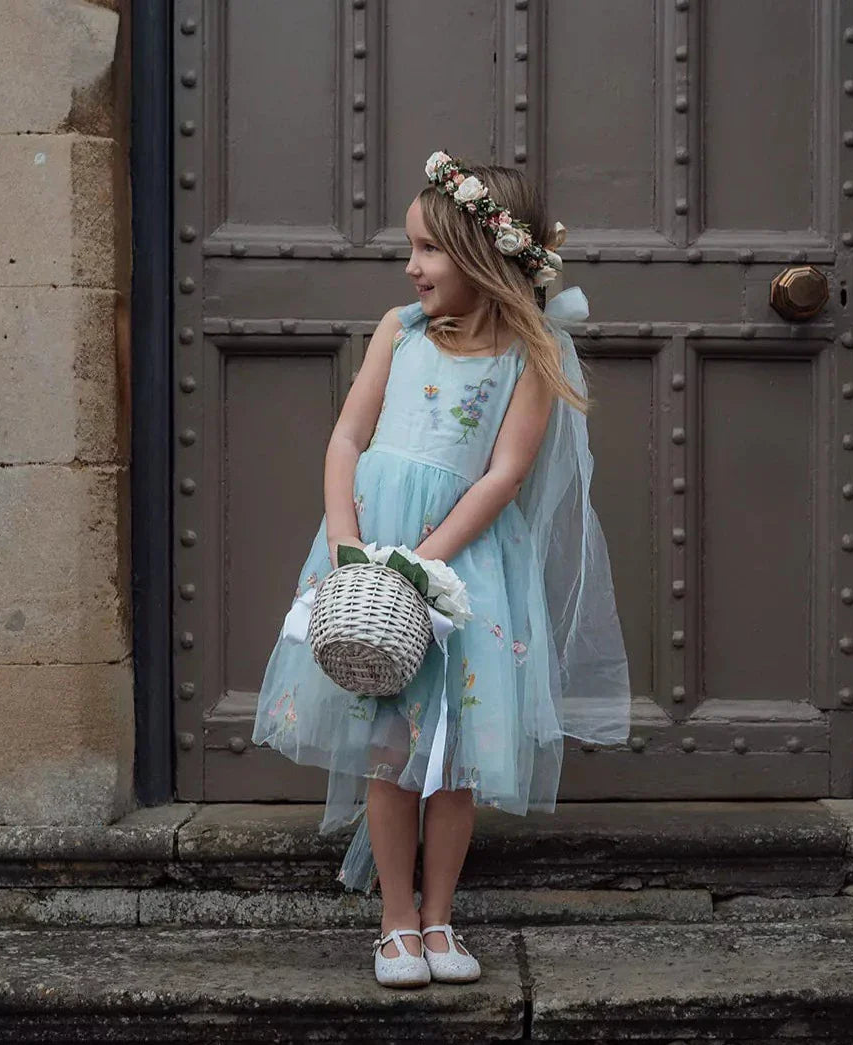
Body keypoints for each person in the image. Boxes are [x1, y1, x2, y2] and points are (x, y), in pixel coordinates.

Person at [252, 151, 631, 988]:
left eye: (426, 249)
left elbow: (504, 474)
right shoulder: (400, 330)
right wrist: (352, 545)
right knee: (387, 746)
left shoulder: (530, 357)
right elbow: (347, 437)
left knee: (450, 755)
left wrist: (423, 563)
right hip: (371, 551)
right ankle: (393, 922)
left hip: (461, 567)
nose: (411, 265)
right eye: (411, 249)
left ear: (478, 255)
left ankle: (439, 917)